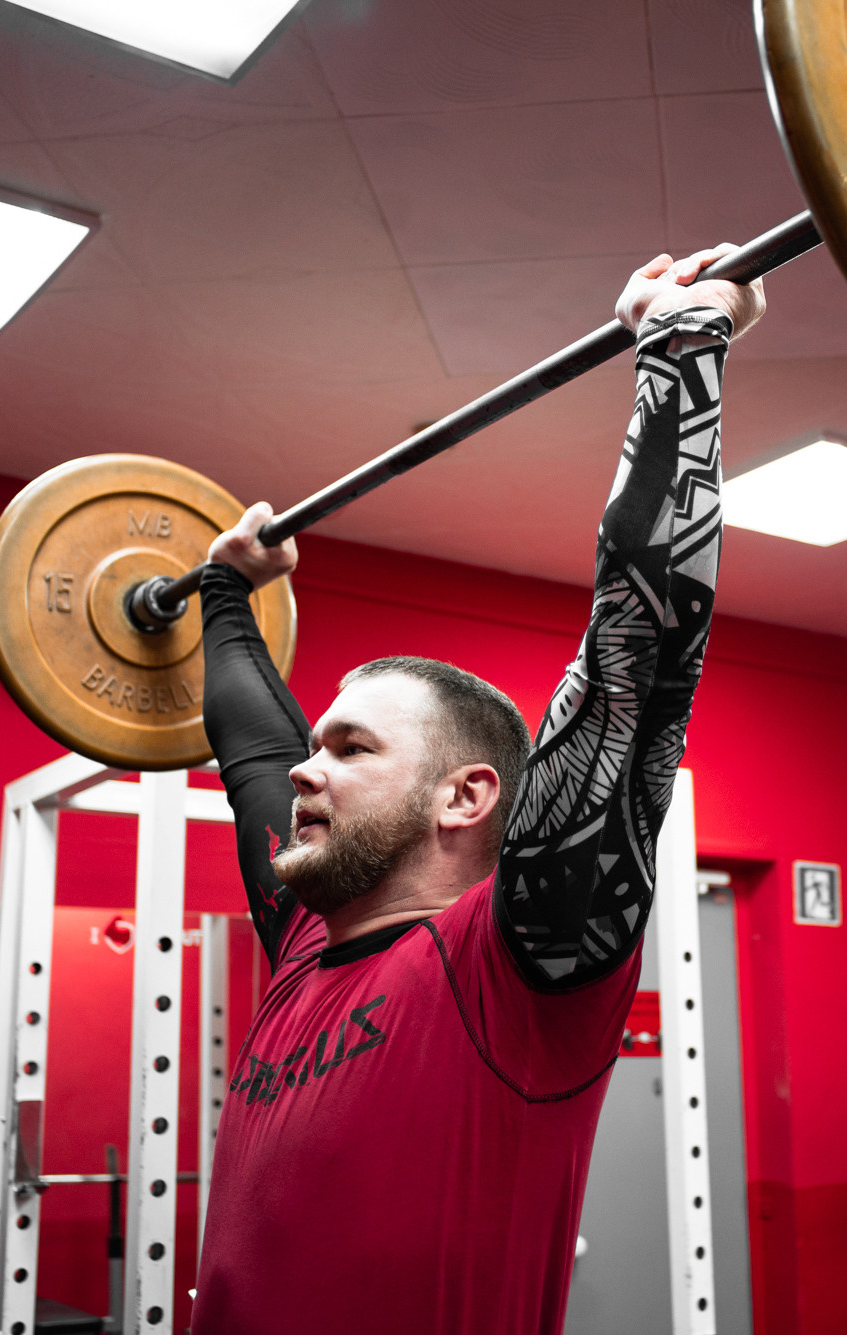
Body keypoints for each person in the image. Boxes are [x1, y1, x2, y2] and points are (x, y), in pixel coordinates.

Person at [189, 247, 765, 1333]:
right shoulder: (305, 948)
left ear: (466, 798)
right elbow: (252, 756)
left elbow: (632, 662)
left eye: (352, 749)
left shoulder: (520, 964)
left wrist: (681, 347)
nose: (310, 769)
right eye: (323, 745)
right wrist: (227, 591)